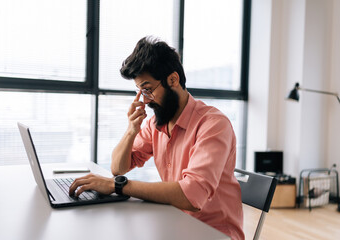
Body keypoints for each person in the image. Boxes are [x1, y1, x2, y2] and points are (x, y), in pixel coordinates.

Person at [69, 36, 244, 240]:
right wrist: (131, 130)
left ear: (173, 80)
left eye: (148, 89)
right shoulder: (156, 124)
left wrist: (119, 186)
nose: (144, 100)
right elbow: (118, 168)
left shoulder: (213, 124)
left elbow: (193, 195)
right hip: (175, 222)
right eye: (141, 91)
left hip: (213, 233)